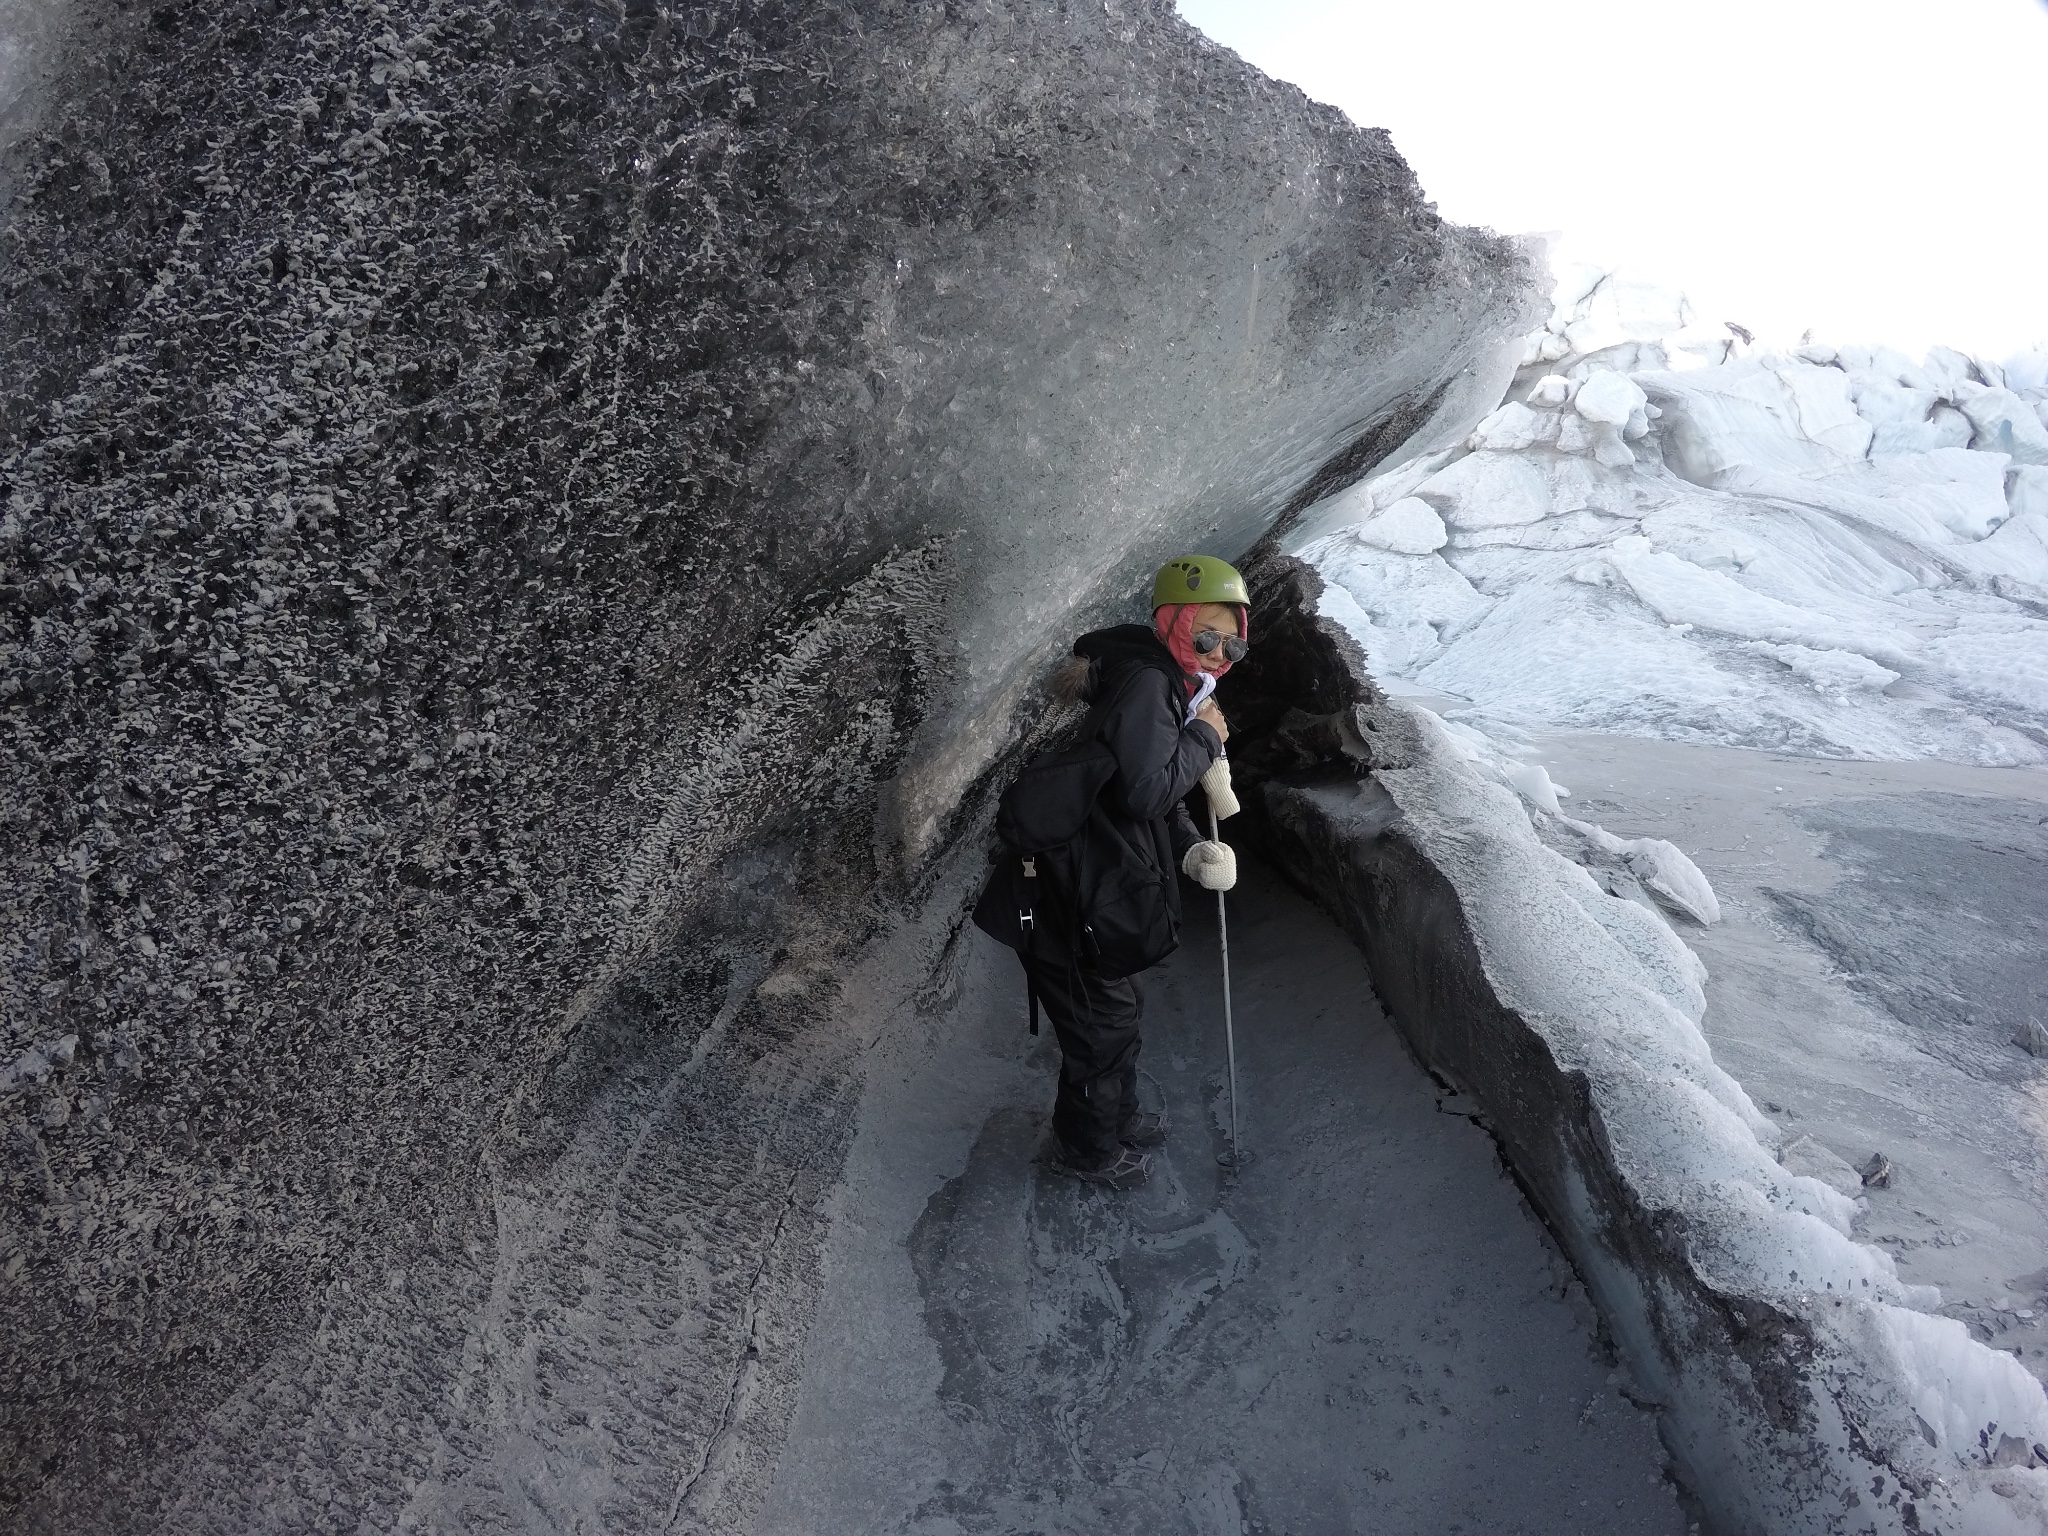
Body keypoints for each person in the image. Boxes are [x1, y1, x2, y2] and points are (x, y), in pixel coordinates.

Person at [1024, 555, 1250, 1190]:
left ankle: (1113, 1118)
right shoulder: (1149, 686)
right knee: (1103, 1024)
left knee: (1119, 1008)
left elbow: (1151, 793)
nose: (1217, 652)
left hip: (1097, 873)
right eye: (1204, 636)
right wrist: (1206, 737)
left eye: (1231, 641)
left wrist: (1188, 850)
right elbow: (1148, 790)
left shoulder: (1161, 682)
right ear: (1170, 623)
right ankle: (1085, 1150)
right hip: (1074, 887)